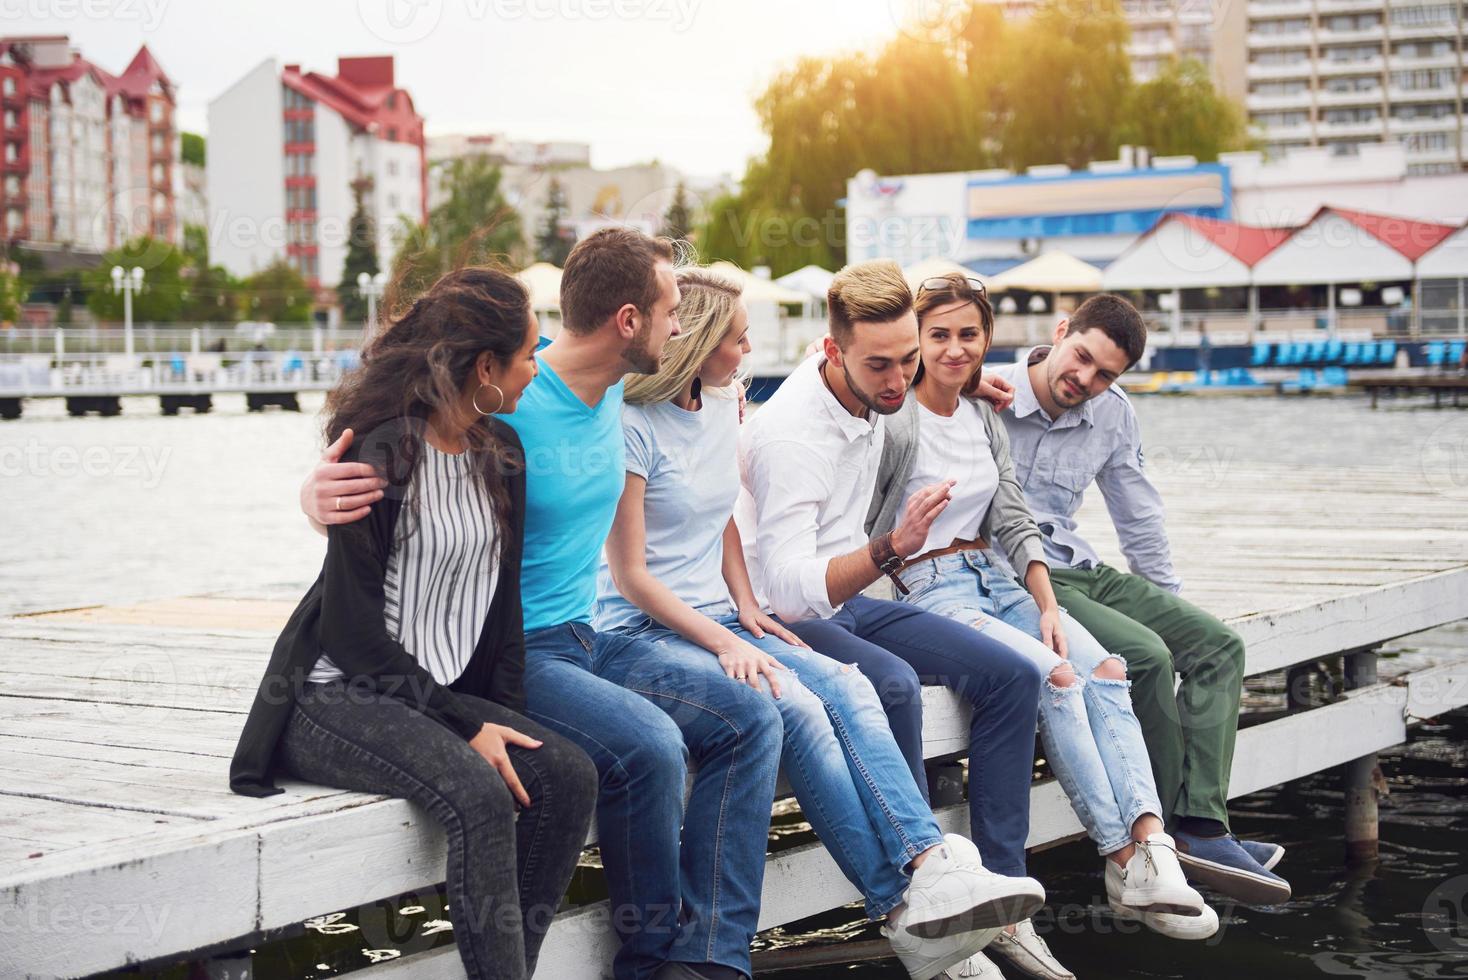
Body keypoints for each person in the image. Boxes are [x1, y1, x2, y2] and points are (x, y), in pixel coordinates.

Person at [299, 229, 786, 980]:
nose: (680, 328)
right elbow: (394, 450)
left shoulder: (624, 386)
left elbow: (708, 397)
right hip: (514, 649)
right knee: (650, 747)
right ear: (628, 322)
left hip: (594, 633)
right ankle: (652, 961)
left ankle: (715, 957)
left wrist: (994, 393)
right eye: (669, 312)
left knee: (750, 717)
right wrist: (312, 495)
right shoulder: (511, 400)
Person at [595, 267, 1046, 979]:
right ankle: (900, 907)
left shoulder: (718, 402)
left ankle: (929, 866)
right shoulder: (628, 426)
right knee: (798, 705)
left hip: (718, 612)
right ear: (700, 339)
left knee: (850, 684)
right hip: (639, 628)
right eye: (739, 338)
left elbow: (721, 524)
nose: (749, 351)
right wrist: (726, 636)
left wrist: (743, 605)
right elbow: (630, 578)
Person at [229, 267, 598, 980]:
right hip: (334, 698)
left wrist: (501, 721)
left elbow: (504, 611)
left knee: (568, 775)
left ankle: (511, 968)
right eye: (528, 354)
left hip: (429, 696)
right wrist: (466, 726)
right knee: (478, 797)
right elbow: (352, 639)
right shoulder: (381, 452)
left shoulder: (504, 456)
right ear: (486, 367)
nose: (536, 367)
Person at [867, 274, 1217, 977]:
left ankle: (1151, 852)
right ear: (915, 341)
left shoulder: (985, 417)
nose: (955, 349)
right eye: (939, 335)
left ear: (987, 341)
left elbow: (1014, 518)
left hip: (1002, 577)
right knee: (1053, 677)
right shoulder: (889, 416)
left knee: (1106, 668)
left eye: (969, 335)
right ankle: (1117, 855)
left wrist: (1049, 602)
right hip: (928, 589)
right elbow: (855, 509)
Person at [734, 259, 1050, 938]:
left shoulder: (882, 388)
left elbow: (944, 363)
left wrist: (974, 385)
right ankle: (922, 890)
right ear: (831, 350)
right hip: (777, 613)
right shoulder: (794, 436)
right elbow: (789, 595)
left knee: (1012, 675)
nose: (898, 378)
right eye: (879, 365)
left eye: (909, 359)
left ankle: (997, 901)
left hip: (846, 603)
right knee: (896, 686)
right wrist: (892, 548)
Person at [978, 293, 1291, 907]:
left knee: (1217, 646)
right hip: (1017, 575)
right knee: (1146, 656)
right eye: (1082, 358)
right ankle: (1174, 835)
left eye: (1105, 375)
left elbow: (1138, 515)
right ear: (1060, 331)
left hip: (1082, 565)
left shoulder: (1112, 413)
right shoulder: (983, 392)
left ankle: (1201, 823)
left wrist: (1171, 606)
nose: (1086, 380)